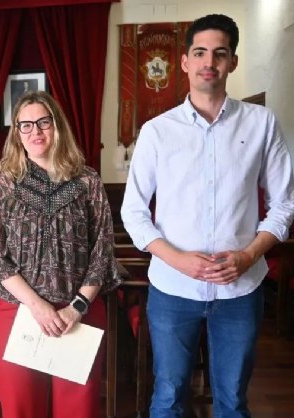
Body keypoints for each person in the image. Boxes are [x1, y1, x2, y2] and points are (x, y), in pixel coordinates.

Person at [121, 14, 294, 417]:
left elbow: (285, 204)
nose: (208, 62)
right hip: (171, 289)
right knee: (168, 394)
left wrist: (248, 256)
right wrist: (177, 259)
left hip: (240, 290)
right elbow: (133, 211)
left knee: (233, 400)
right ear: (183, 61)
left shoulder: (263, 123)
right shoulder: (157, 131)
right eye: (199, 52)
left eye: (220, 53)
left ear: (233, 61)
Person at [0, 90, 121, 418]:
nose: (35, 132)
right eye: (25, 125)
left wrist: (76, 308)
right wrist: (37, 305)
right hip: (19, 310)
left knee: (77, 412)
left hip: (79, 313)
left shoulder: (87, 181)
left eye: (43, 122)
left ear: (58, 126)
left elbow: (102, 252)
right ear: (16, 132)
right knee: (20, 410)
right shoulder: (4, 184)